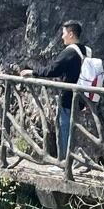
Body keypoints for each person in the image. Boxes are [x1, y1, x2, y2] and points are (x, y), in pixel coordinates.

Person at [24, 21, 90, 161]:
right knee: (72, 130)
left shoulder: (70, 52)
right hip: (82, 98)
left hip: (68, 98)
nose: (62, 37)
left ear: (71, 34)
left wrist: (32, 70)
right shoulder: (86, 51)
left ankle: (65, 163)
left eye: (64, 33)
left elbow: (50, 71)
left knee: (64, 129)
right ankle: (71, 161)